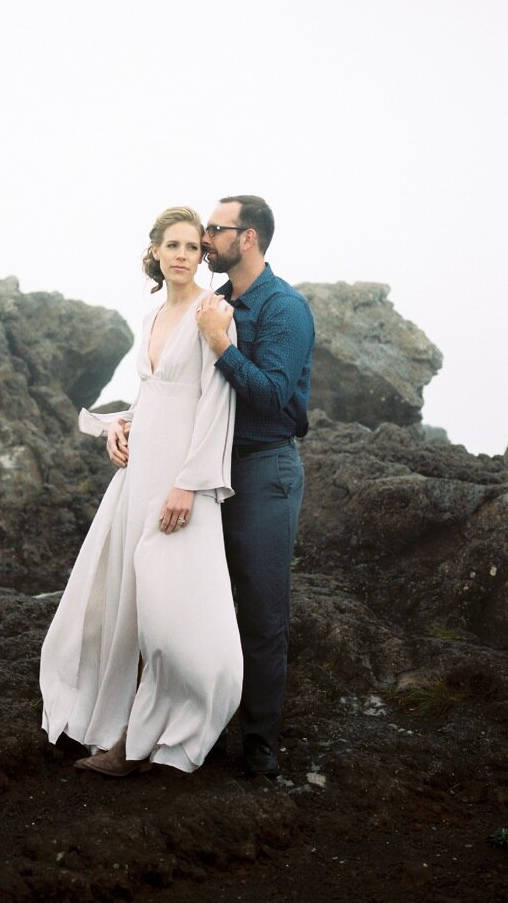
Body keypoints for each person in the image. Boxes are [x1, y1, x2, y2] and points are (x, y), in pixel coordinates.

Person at [40, 205, 243, 775]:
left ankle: (168, 732)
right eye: (171, 245)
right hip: (139, 475)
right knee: (114, 603)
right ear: (154, 251)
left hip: (182, 483)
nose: (181, 254)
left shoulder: (214, 311)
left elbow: (214, 401)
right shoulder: (152, 312)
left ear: (202, 254)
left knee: (172, 614)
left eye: (191, 246)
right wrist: (118, 426)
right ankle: (120, 733)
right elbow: (154, 391)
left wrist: (189, 484)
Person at [195, 194, 314, 779]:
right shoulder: (212, 303)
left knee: (262, 614)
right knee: (199, 604)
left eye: (214, 229)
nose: (204, 237)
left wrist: (221, 346)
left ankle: (261, 744)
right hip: (207, 467)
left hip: (265, 468)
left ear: (247, 238)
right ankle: (199, 728)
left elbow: (271, 394)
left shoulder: (285, 308)